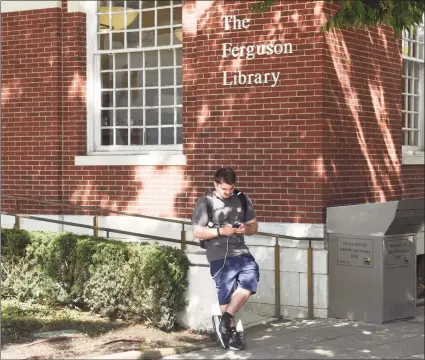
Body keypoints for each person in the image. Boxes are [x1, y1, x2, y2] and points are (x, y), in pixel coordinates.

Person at [191, 167, 259, 351]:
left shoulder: (242, 199)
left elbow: (254, 226)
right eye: (224, 189)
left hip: (241, 251)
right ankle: (230, 331)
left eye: (231, 189)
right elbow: (197, 231)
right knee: (226, 292)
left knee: (250, 280)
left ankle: (225, 319)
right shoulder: (206, 202)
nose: (228, 193)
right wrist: (221, 231)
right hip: (218, 253)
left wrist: (246, 229)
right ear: (215, 185)